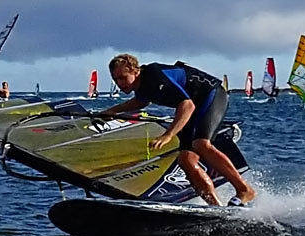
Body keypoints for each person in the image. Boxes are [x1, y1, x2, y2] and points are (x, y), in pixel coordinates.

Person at [102, 53, 256, 207]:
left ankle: (244, 190)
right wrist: (112, 111)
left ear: (135, 71)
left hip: (212, 95)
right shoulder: (141, 86)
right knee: (186, 161)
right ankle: (216, 208)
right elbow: (140, 102)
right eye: (116, 80)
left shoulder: (154, 76)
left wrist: (168, 135)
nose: (119, 83)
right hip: (195, 106)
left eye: (122, 77)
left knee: (201, 144)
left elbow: (187, 105)